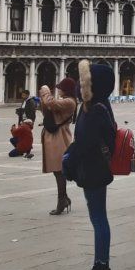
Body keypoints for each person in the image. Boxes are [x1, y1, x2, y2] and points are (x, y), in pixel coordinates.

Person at [67, 60, 116, 270]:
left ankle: (100, 267)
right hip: (97, 167)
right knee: (99, 218)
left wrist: (68, 160)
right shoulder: (100, 105)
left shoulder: (95, 110)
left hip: (93, 169)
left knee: (98, 219)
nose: (79, 84)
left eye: (83, 80)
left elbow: (84, 143)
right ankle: (101, 265)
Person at [41, 79, 77, 215]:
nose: (58, 90)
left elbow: (51, 103)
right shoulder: (65, 101)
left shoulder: (70, 102)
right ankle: (63, 198)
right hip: (55, 137)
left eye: (60, 88)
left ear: (66, 89)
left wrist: (45, 91)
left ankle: (62, 200)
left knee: (59, 170)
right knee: (57, 171)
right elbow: (47, 109)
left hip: (60, 138)